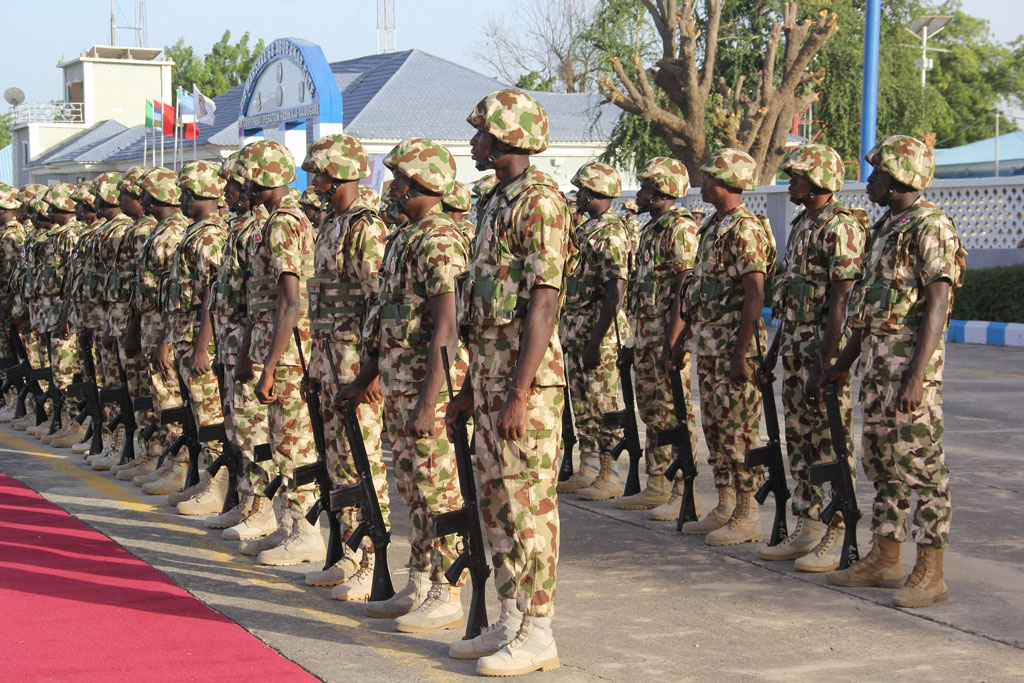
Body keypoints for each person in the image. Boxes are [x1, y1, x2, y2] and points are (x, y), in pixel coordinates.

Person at [447, 88, 569, 676]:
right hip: (492, 379)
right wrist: (475, 384)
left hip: (528, 386)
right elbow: (482, 307)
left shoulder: (541, 201)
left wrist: (520, 392)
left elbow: (543, 304)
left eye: (481, 134)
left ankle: (540, 629)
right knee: (496, 505)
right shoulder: (495, 201)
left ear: (506, 138)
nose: (474, 143)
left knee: (528, 506)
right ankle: (512, 617)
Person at [814, 135, 965, 609]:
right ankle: (885, 556)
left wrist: (917, 376)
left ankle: (931, 570)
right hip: (877, 373)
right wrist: (842, 364)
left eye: (878, 173)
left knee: (923, 471)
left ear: (900, 176)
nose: (870, 180)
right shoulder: (886, 227)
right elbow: (867, 311)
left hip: (907, 375)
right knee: (884, 465)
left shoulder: (931, 226)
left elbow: (938, 304)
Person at [340, 137, 470, 631]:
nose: (391, 188)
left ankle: (448, 586)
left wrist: (429, 401)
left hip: (426, 389)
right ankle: (420, 576)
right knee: (412, 487)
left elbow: (447, 325)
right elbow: (387, 323)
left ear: (422, 184)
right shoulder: (403, 238)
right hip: (398, 385)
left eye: (400, 180)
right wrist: (363, 379)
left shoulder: (439, 239)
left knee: (439, 488)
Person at [757, 143, 866, 570]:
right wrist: (773, 353)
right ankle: (807, 524)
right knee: (801, 441)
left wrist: (826, 366)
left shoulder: (842, 228)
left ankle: (838, 529)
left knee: (829, 442)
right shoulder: (804, 224)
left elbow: (840, 302)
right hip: (796, 349)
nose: (791, 183)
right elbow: (790, 301)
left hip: (823, 352)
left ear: (820, 181)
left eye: (798, 177)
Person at [297, 134, 391, 597]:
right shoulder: (331, 224)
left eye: (319, 171)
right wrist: (315, 368)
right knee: (338, 464)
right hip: (330, 363)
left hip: (356, 366)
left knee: (364, 462)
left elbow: (379, 300)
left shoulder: (365, 227)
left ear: (339, 172)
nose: (313, 179)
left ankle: (375, 559)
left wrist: (372, 371)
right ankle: (350, 552)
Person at [675, 149, 776, 546]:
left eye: (709, 177)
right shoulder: (715, 226)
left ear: (728, 182)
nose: (702, 184)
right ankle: (725, 503)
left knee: (740, 430)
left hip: (736, 345)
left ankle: (747, 512)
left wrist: (741, 354)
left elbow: (754, 294)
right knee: (716, 428)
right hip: (710, 342)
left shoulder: (745, 228)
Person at [236, 140, 325, 567]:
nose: (245, 184)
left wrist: (269, 365)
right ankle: (292, 527)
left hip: (290, 355)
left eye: (250, 176)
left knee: (292, 446)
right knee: (282, 443)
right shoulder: (284, 220)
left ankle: (306, 532)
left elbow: (291, 302)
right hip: (282, 350)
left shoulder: (282, 224)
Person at [617, 157, 700, 520]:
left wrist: (673, 341)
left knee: (673, 409)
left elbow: (684, 284)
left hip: (667, 334)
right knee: (651, 409)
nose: (640, 193)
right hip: (646, 333)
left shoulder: (680, 227)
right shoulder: (652, 228)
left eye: (647, 187)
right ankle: (657, 482)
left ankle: (682, 486)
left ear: (664, 189)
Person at [558, 161, 630, 503]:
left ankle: (609, 472)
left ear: (600, 192)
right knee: (583, 403)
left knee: (604, 405)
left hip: (597, 334)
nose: (580, 196)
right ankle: (588, 467)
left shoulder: (612, 232)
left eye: (585, 190)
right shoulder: (588, 229)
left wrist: (597, 342)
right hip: (576, 329)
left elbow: (615, 291)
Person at [162, 160, 231, 513]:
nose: (183, 199)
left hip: (199, 339)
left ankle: (218, 486)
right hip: (187, 335)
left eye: (188, 192)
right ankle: (208, 478)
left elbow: (210, 295)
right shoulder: (196, 230)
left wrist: (203, 347)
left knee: (209, 415)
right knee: (197, 412)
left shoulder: (209, 235)